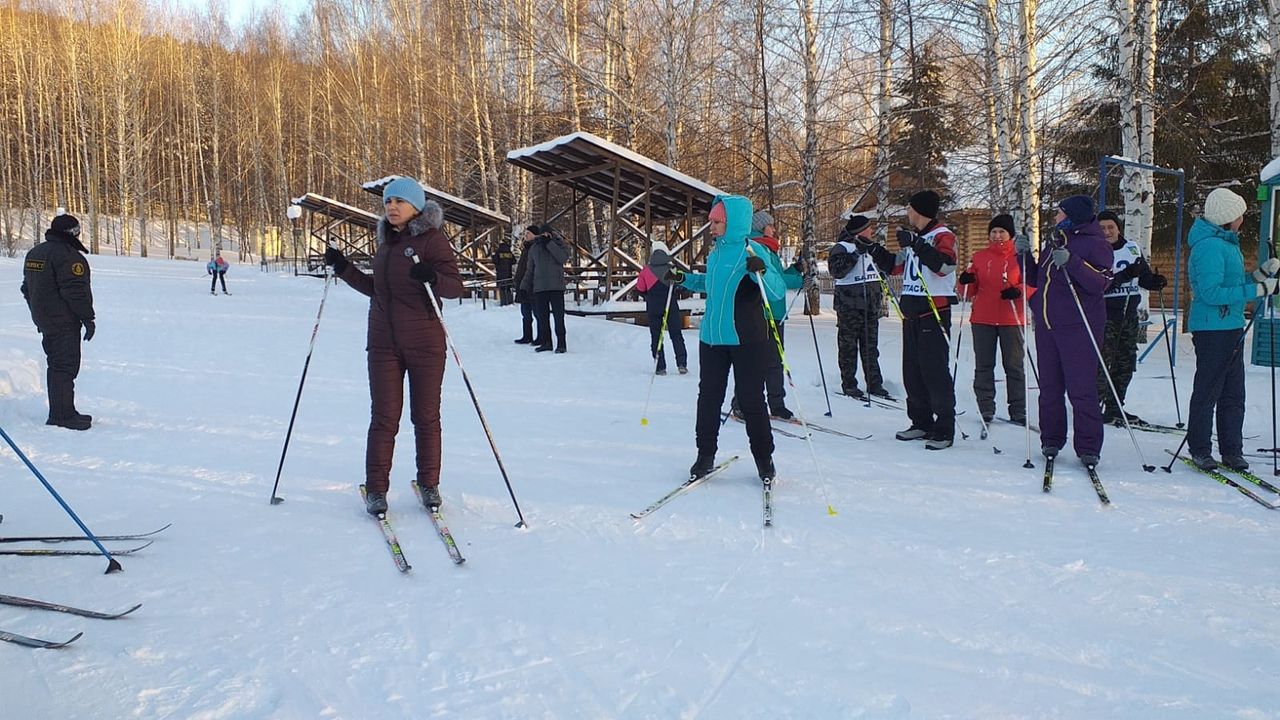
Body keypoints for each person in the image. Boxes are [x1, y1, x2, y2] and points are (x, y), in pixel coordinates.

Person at [323, 177, 463, 515]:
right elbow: (377, 289)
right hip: (383, 344)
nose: (392, 207)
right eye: (388, 202)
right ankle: (376, 489)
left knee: (426, 416)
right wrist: (343, 268)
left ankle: (429, 484)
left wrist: (433, 277)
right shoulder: (385, 244)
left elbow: (456, 287)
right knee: (384, 418)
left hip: (425, 344)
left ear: (417, 207)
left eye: (399, 201)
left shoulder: (432, 241)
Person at [667, 195, 785, 482]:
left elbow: (777, 290)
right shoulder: (716, 252)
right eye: (711, 221)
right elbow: (708, 285)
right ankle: (704, 455)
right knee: (708, 398)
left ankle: (763, 459)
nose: (712, 226)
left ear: (733, 223)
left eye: (717, 221)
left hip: (746, 340)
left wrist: (762, 270)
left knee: (751, 400)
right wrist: (682, 278)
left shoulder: (752, 250)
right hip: (712, 339)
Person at [1184, 188, 1279, 471]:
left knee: (1233, 393)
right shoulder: (1209, 246)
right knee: (1209, 390)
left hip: (1231, 325)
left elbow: (1232, 284)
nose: (1242, 219)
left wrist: (1262, 274)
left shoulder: (1226, 243)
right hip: (1213, 330)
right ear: (1227, 217)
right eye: (1239, 214)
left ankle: (1232, 450)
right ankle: (1200, 448)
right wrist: (1259, 289)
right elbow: (1211, 294)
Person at [1018, 195, 1113, 467]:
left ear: (1073, 216)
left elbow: (1101, 283)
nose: (1056, 216)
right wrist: (1023, 255)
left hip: (1079, 327)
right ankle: (1051, 437)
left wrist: (1072, 262)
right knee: (1049, 387)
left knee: (1081, 389)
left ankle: (1088, 445)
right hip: (1047, 324)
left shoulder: (1096, 244)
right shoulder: (1056, 240)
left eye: (1060, 212)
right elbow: (1037, 278)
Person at [866, 190, 958, 450]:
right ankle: (921, 421)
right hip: (912, 311)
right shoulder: (916, 238)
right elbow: (895, 266)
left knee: (934, 370)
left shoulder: (942, 235)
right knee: (913, 370)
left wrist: (917, 245)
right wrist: (873, 249)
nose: (907, 211)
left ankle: (944, 428)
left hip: (934, 310)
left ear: (920, 210)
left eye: (910, 207)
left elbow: (945, 266)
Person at [20, 213, 96, 431]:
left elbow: (27, 288)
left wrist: (37, 311)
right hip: (63, 320)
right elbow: (75, 291)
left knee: (57, 364)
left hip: (45, 319)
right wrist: (87, 317)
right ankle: (61, 416)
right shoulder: (68, 256)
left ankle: (64, 410)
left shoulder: (35, 252)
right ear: (72, 232)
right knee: (64, 366)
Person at [1095, 210, 1168, 424]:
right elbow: (1097, 285)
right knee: (1102, 363)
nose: (1107, 232)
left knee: (1125, 362)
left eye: (1111, 227)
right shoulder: (1095, 251)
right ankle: (1093, 406)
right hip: (1105, 315)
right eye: (1102, 228)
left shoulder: (1131, 248)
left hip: (1128, 315)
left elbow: (1142, 277)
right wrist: (1123, 276)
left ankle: (1115, 407)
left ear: (1118, 228)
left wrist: (1154, 281)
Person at [956, 213, 1029, 425]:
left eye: (1002, 232)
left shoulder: (1020, 257)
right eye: (994, 232)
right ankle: (985, 407)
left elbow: (1033, 284)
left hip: (1011, 318)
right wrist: (965, 281)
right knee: (984, 365)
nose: (997, 236)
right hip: (983, 318)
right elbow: (968, 291)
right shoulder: (980, 257)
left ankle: (1018, 409)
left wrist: (1019, 291)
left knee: (1014, 366)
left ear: (1010, 234)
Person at [739, 210, 804, 419]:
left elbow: (780, 278)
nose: (774, 229)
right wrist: (797, 280)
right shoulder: (754, 249)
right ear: (761, 227)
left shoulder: (770, 250)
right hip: (761, 313)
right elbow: (774, 283)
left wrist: (796, 271)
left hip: (776, 313)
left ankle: (776, 404)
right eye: (770, 225)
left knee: (775, 360)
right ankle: (740, 402)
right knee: (756, 360)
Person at [827, 214, 889, 401]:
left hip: (870, 305)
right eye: (869, 228)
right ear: (860, 231)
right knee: (848, 347)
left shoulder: (871, 248)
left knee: (870, 347)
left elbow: (877, 269)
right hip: (849, 305)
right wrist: (855, 254)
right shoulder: (842, 247)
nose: (872, 231)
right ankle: (849, 383)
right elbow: (837, 271)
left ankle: (874, 383)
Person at [635, 241, 688, 375]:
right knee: (676, 334)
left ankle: (660, 366)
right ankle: (682, 363)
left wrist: (648, 296)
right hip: (670, 304)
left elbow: (640, 288)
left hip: (654, 306)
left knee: (656, 336)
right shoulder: (672, 268)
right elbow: (681, 284)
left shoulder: (646, 270)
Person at [520, 224, 570, 353]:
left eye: (547, 234)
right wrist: (523, 286)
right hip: (540, 288)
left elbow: (562, 258)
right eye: (543, 234)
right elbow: (530, 270)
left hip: (556, 287)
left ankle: (561, 343)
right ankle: (546, 342)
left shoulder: (558, 244)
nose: (545, 236)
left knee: (559, 317)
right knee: (543, 317)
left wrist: (549, 244)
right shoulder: (534, 248)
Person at [512, 226, 538, 343]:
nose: (526, 235)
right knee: (525, 313)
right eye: (525, 233)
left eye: (528, 233)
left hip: (533, 285)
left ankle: (540, 337)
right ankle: (527, 335)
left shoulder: (536, 248)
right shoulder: (526, 248)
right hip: (522, 284)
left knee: (537, 313)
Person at [492, 238, 516, 306]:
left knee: (502, 288)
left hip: (500, 274)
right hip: (508, 273)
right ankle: (509, 301)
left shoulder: (498, 252)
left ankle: (503, 302)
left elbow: (495, 261)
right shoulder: (509, 252)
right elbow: (514, 261)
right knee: (508, 288)